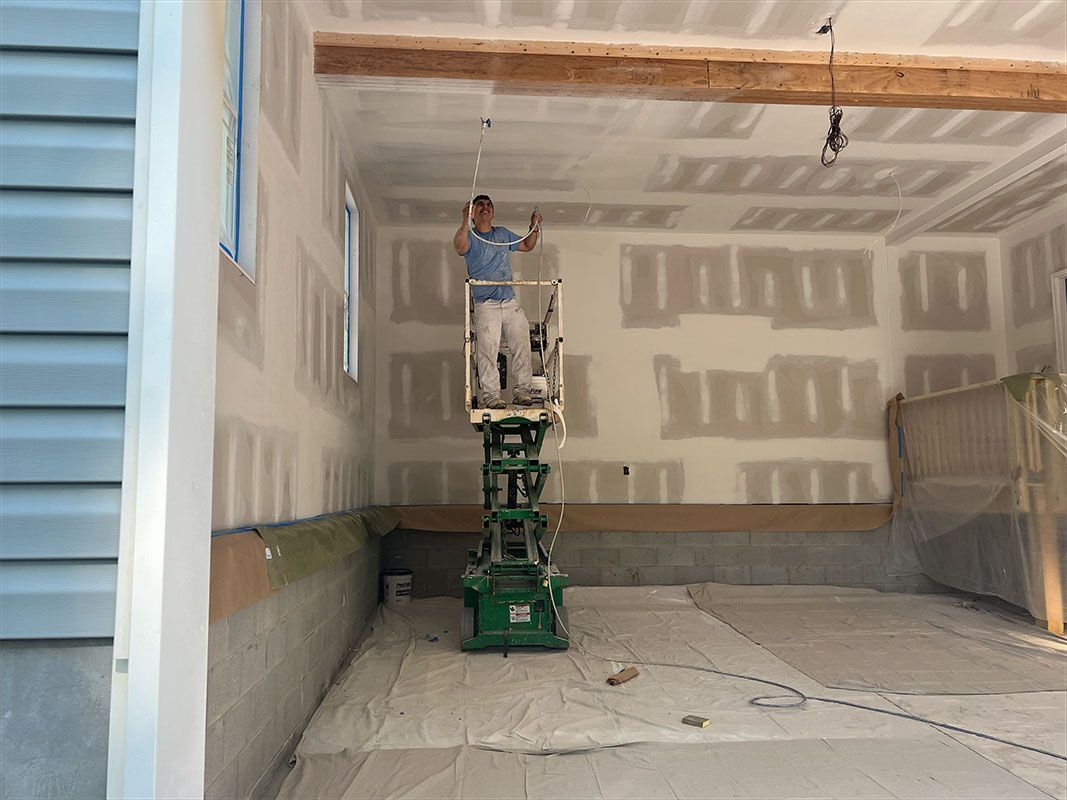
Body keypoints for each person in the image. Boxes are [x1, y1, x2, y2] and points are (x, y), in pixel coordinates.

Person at [453, 194, 543, 410]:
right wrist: (464, 219)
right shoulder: (471, 236)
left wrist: (534, 227)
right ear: (473, 213)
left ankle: (522, 391)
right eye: (480, 205)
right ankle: (491, 396)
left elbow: (527, 246)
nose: (485, 207)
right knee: (487, 350)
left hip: (508, 300)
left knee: (521, 343)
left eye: (489, 205)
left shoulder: (502, 234)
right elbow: (459, 247)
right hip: (485, 303)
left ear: (493, 212)